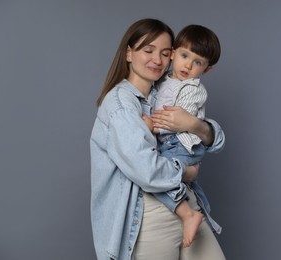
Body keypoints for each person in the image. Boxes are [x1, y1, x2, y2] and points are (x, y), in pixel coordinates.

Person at [90, 18, 226, 260]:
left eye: (165, 53)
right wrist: (186, 172)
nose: (158, 60)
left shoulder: (165, 90)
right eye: (148, 50)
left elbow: (215, 140)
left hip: (188, 204)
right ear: (129, 53)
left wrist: (195, 125)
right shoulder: (121, 106)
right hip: (149, 215)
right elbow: (147, 170)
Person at [142, 24, 221, 248]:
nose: (188, 65)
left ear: (206, 70)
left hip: (181, 144)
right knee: (164, 175)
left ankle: (189, 215)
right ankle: (197, 210)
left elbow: (176, 120)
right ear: (174, 53)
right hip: (169, 143)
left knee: (159, 175)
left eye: (198, 62)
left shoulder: (193, 89)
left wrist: (152, 126)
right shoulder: (164, 80)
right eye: (185, 56)